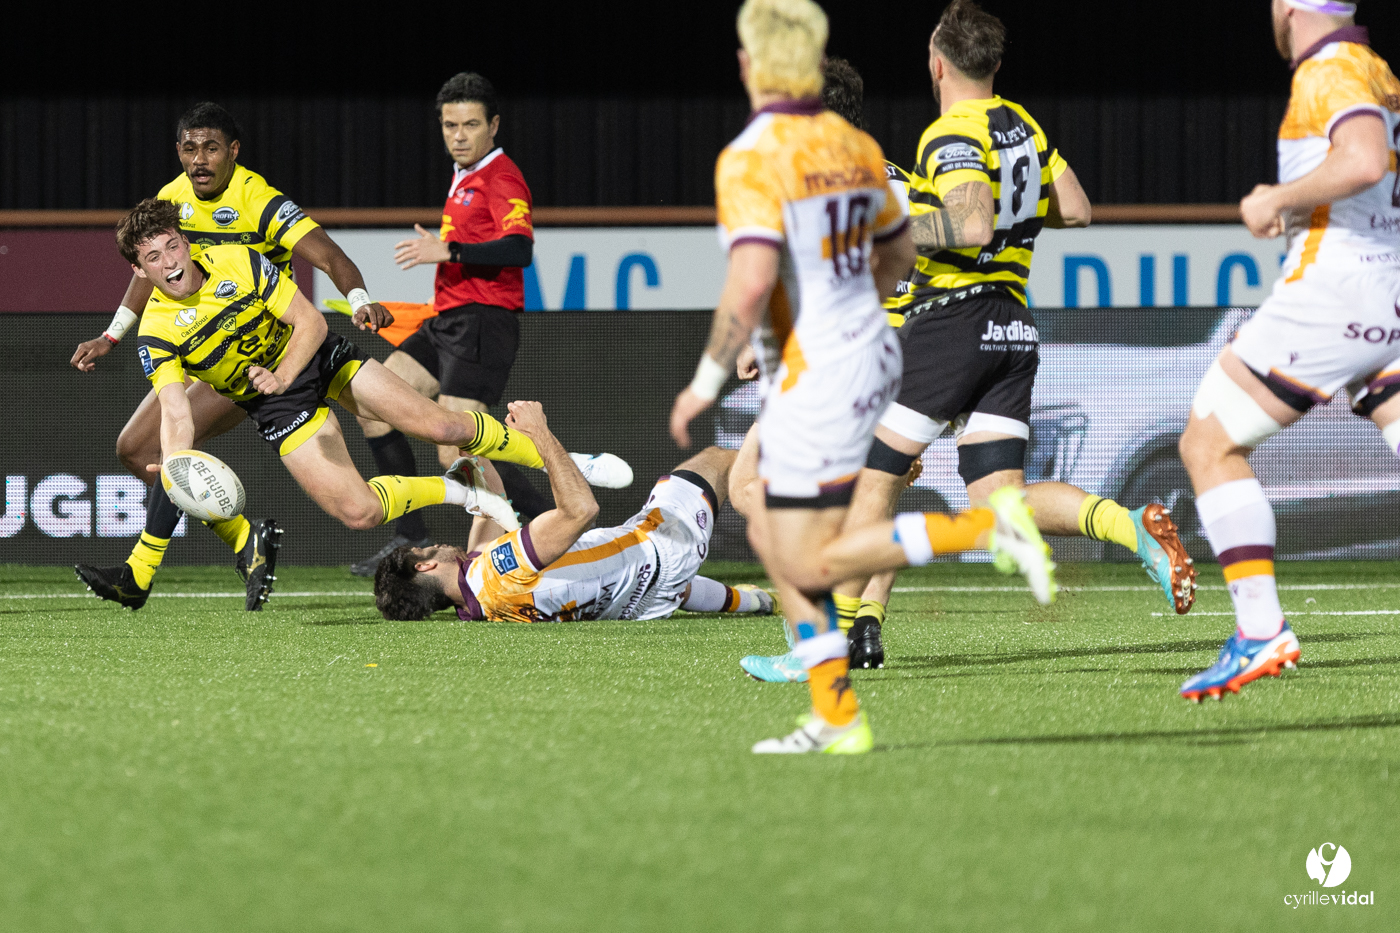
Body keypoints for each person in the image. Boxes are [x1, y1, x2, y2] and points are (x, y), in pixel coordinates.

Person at [669, 0, 1055, 755]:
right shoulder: (877, 163)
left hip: (839, 365)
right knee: (819, 512)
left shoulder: (763, 159)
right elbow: (895, 260)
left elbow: (756, 279)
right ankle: (842, 668)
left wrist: (714, 369)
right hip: (882, 356)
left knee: (769, 503)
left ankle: (836, 651)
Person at [810, 0, 1196, 673]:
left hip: (954, 323)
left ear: (937, 62)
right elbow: (1077, 208)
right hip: (1014, 325)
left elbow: (971, 224)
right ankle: (1129, 526)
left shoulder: (948, 133)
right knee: (1000, 499)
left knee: (875, 478)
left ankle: (837, 643)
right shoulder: (1023, 125)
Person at [111, 199, 562, 597]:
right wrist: (177, 465)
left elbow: (312, 323)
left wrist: (282, 374)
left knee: (444, 426)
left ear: (185, 241)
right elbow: (175, 409)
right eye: (153, 257)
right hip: (276, 404)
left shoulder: (237, 260)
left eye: (172, 246)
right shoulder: (155, 332)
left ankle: (558, 460)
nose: (169, 262)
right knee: (360, 512)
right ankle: (463, 490)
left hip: (315, 358)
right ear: (138, 270)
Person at [71, 102, 394, 611]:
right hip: (211, 346)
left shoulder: (257, 199)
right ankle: (247, 544)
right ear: (178, 151)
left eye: (211, 147)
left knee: (171, 445)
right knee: (136, 450)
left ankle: (146, 573)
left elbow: (330, 255)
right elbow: (145, 271)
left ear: (233, 152)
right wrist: (112, 337)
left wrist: (358, 300)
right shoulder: (171, 200)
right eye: (189, 147)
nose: (199, 158)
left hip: (270, 350)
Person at [1178, 0, 1400, 700]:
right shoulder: (1376, 69)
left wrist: (1278, 197)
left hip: (1334, 294)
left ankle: (1260, 628)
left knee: (1208, 440)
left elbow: (1363, 159)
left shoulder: (1328, 67)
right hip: (1386, 289)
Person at [349, 72, 631, 577]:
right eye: (450, 124)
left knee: (455, 448)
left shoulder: (501, 176)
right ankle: (411, 535)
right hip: (447, 321)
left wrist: (447, 249)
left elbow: (520, 248)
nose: (459, 134)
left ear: (494, 125)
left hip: (483, 321)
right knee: (373, 404)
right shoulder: (466, 175)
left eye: (471, 124)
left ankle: (556, 526)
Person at [375, 402, 775, 624]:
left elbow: (491, 504)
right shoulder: (495, 570)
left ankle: (760, 603)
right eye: (427, 551)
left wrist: (474, 446)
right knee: (722, 462)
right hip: (657, 548)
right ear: (424, 568)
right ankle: (816, 490)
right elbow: (581, 510)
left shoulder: (476, 604)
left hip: (641, 600)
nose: (438, 546)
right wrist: (540, 435)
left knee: (681, 589)